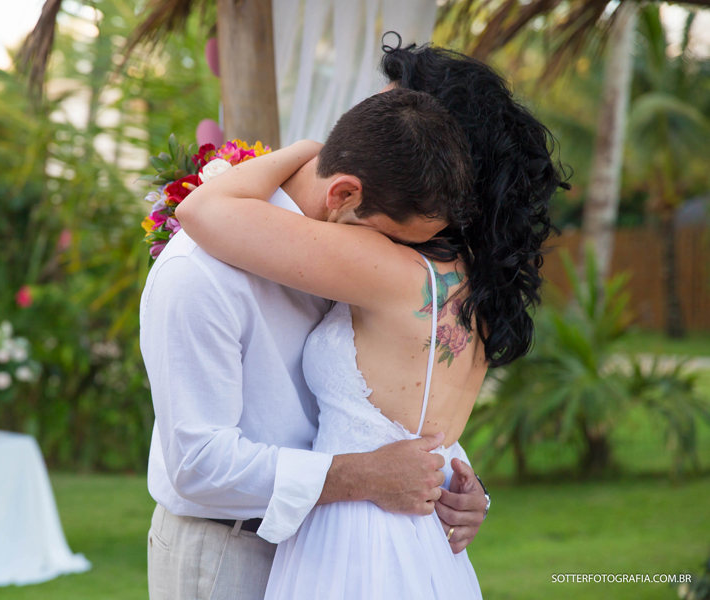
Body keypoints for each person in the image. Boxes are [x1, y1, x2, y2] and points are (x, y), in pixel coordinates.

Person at [176, 50, 567, 599]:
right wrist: (461, 479)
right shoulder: (476, 279)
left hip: (352, 538)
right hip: (424, 543)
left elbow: (200, 213)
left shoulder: (384, 265)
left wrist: (312, 152)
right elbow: (419, 419)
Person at [140, 96, 490, 600]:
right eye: (391, 240)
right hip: (227, 552)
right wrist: (365, 476)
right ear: (344, 194)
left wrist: (453, 484)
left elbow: (371, 396)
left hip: (326, 550)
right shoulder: (197, 275)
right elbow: (199, 464)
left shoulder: (335, 260)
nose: (391, 259)